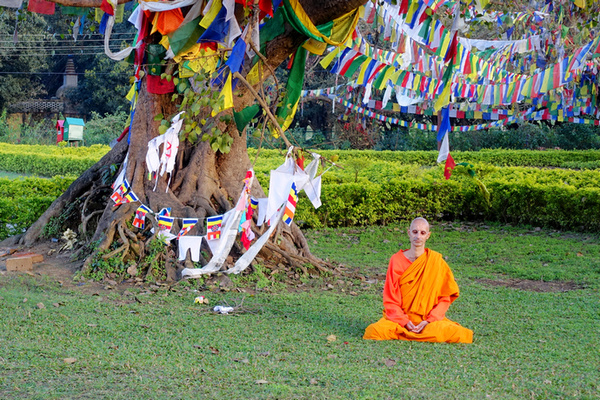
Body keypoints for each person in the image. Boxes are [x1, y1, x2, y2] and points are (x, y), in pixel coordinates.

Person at [363, 217, 473, 343]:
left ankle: (417, 331)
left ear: (428, 235)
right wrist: (404, 321)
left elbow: (445, 298)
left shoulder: (436, 261)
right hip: (400, 320)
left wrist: (429, 320)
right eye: (415, 232)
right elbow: (390, 299)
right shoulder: (396, 260)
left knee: (461, 334)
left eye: (422, 233)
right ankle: (408, 330)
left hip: (428, 321)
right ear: (409, 233)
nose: (418, 236)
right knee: (373, 331)